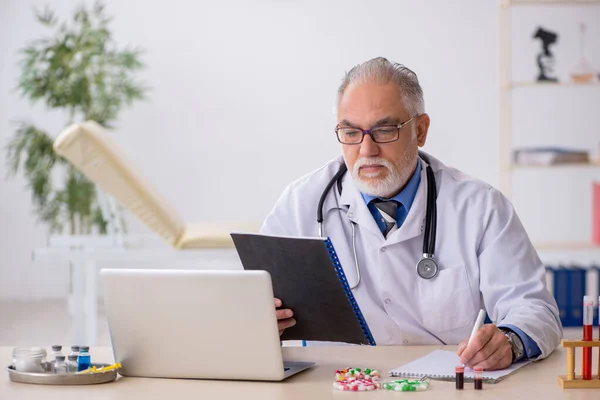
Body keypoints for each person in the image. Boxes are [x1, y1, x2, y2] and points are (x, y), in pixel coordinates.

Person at [261, 57, 562, 371]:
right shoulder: (300, 204)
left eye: (385, 130)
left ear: (420, 130)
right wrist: (262, 321)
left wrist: (509, 340)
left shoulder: (480, 206)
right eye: (351, 133)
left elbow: (535, 309)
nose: (366, 150)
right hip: (334, 385)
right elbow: (251, 303)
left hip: (444, 387)